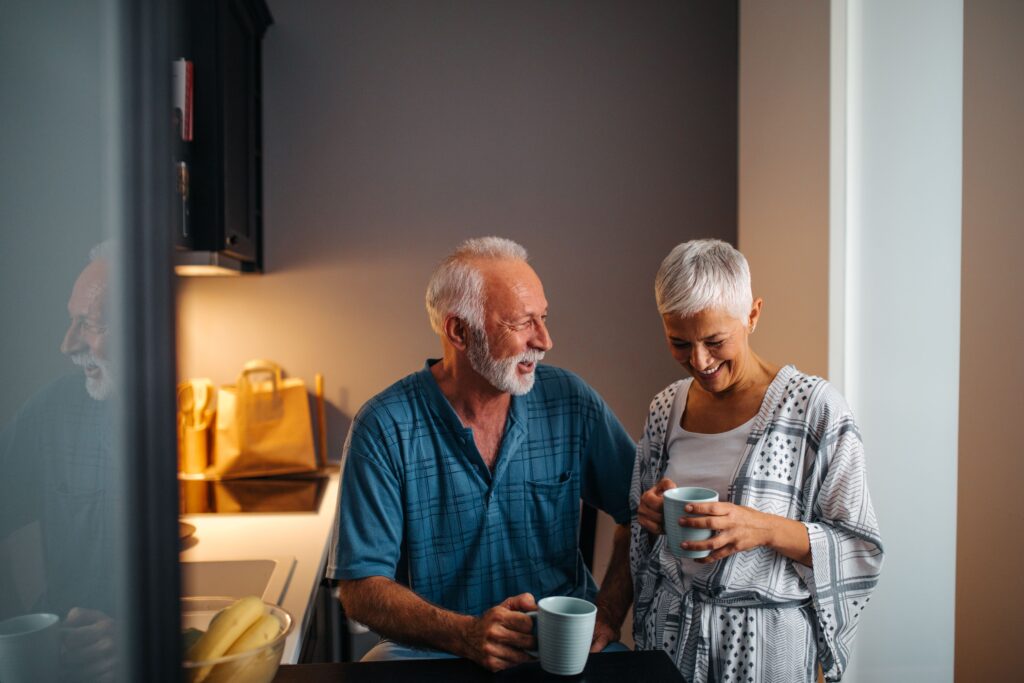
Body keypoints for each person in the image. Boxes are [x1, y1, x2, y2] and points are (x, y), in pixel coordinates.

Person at [327, 236, 636, 671]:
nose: (545, 340)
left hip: (559, 648)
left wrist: (608, 612)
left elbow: (640, 511)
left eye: (543, 318)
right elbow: (360, 589)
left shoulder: (571, 400)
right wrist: (465, 634)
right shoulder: (383, 426)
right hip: (435, 648)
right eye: (522, 323)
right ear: (459, 330)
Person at [630, 239, 883, 682]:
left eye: (714, 341)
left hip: (767, 651)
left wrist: (761, 527)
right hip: (669, 643)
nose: (699, 361)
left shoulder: (816, 410)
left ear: (753, 315)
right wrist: (649, 512)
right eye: (679, 343)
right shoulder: (665, 408)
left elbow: (858, 548)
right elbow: (640, 529)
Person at [0, 243, 119, 682]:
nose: (67, 344)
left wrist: (139, 637)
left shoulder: (186, 414)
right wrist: (14, 631)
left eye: (86, 324)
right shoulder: (53, 413)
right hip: (68, 668)